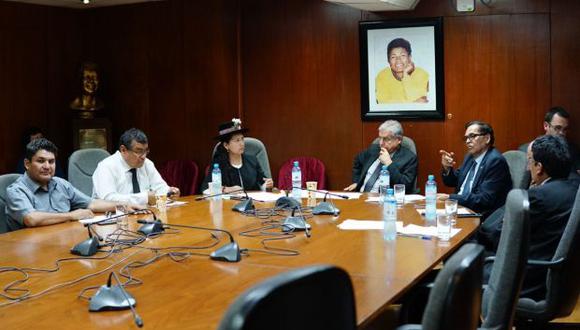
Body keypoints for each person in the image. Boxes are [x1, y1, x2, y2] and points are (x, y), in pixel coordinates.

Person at [484, 135, 579, 300]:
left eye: (530, 162)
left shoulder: (539, 196)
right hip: (558, 280)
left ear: (539, 167)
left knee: (463, 272)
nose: (528, 169)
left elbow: (501, 237)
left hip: (526, 280)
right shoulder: (574, 188)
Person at [5, 138, 132, 231]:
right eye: (41, 161)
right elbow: (31, 219)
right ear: (27, 164)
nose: (47, 166)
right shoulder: (16, 190)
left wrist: (122, 205)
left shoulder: (60, 184)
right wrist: (71, 215)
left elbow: (91, 204)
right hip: (30, 249)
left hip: (62, 242)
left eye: (51, 161)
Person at [439, 121, 512, 218]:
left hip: (478, 213)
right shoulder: (469, 157)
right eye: (466, 138)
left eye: (472, 136)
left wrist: (451, 198)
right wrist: (447, 168)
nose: (468, 141)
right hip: (459, 208)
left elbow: (484, 200)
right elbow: (453, 181)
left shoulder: (495, 161)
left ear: (487, 138)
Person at [92, 128, 180, 205]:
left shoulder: (147, 164)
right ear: (123, 150)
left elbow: (160, 188)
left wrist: (169, 192)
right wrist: (144, 198)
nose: (143, 156)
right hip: (111, 219)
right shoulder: (106, 167)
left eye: (146, 151)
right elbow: (108, 199)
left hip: (143, 215)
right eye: (139, 151)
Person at [200, 119, 274, 193]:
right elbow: (205, 189)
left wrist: (267, 185)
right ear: (226, 145)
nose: (242, 143)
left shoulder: (252, 160)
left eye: (242, 139)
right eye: (237, 140)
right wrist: (226, 189)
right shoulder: (218, 163)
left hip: (252, 202)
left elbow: (262, 183)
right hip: (228, 203)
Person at [344, 120, 418, 193]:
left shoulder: (409, 158)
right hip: (360, 196)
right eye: (380, 138)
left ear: (398, 140)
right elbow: (358, 160)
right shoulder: (374, 149)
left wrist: (389, 164)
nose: (381, 143)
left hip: (384, 199)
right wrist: (357, 182)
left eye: (386, 139)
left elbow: (405, 186)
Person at [519, 106, 580, 178]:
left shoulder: (571, 150)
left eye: (565, 129)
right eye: (558, 128)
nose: (561, 133)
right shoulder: (527, 149)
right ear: (546, 126)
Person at [375, 38, 429, 104]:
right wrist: (412, 103)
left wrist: (405, 75)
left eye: (402, 55)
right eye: (393, 57)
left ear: (409, 57)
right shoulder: (382, 76)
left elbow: (421, 104)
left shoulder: (422, 74)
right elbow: (384, 104)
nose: (398, 60)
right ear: (388, 60)